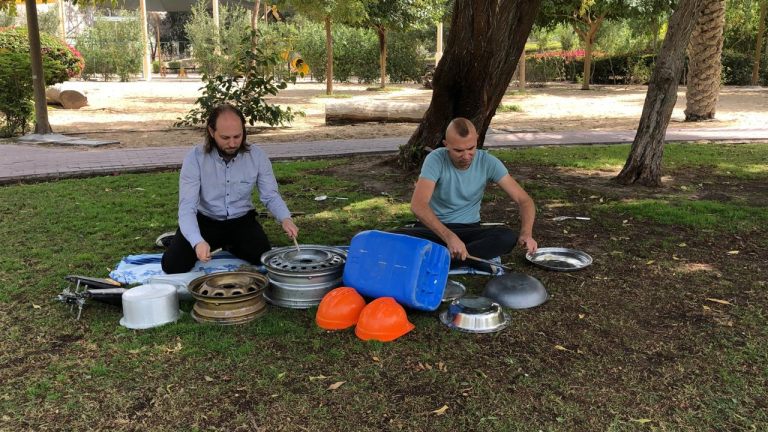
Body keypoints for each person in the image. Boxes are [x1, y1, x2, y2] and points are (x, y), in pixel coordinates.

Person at [161, 104, 298, 274]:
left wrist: (285, 218)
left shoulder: (257, 156)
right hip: (205, 221)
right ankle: (183, 239)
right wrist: (197, 241)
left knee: (262, 256)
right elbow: (187, 206)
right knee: (172, 266)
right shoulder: (195, 158)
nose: (232, 143)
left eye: (237, 136)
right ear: (212, 132)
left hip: (241, 221)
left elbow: (270, 195)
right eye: (225, 138)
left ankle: (229, 244)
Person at [392, 117, 537, 272]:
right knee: (391, 238)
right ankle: (468, 259)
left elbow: (524, 200)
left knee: (506, 237)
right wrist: (449, 237)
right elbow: (418, 205)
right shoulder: (435, 159)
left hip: (469, 231)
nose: (466, 156)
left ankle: (437, 260)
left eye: (471, 148)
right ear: (446, 145)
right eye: (458, 150)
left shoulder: (488, 162)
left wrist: (526, 233)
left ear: (477, 140)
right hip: (435, 230)